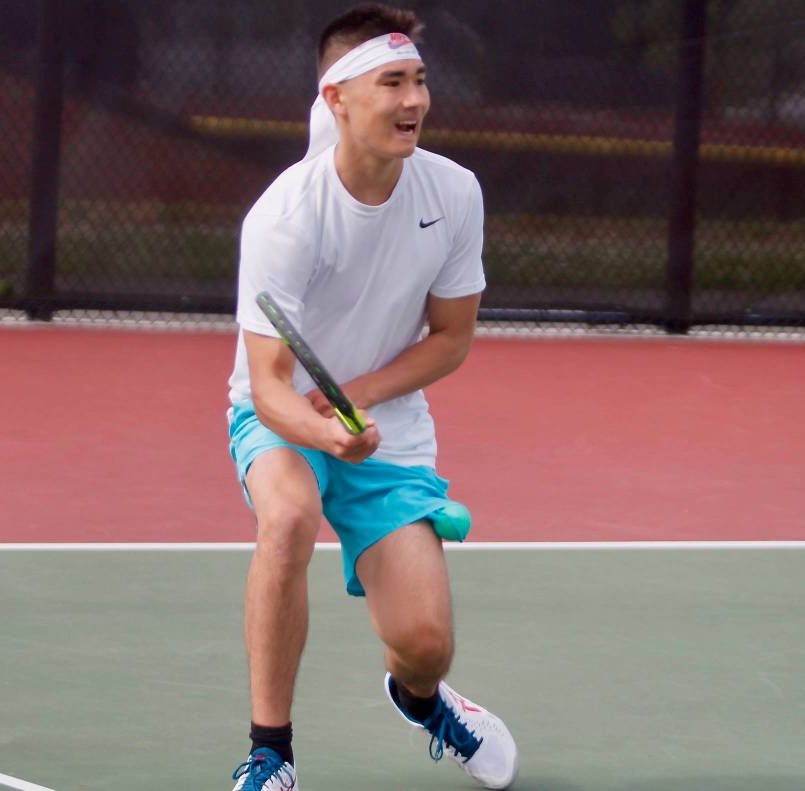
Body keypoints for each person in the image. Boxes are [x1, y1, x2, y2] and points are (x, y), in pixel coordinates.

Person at [226, 4, 518, 789]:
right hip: (283, 418)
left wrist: (359, 396)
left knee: (425, 644)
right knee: (288, 517)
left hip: (388, 424)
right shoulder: (286, 216)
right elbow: (267, 384)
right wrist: (327, 432)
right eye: (392, 82)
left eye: (419, 80)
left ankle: (422, 699)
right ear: (338, 98)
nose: (414, 99)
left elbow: (450, 337)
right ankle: (271, 752)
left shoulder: (453, 193)